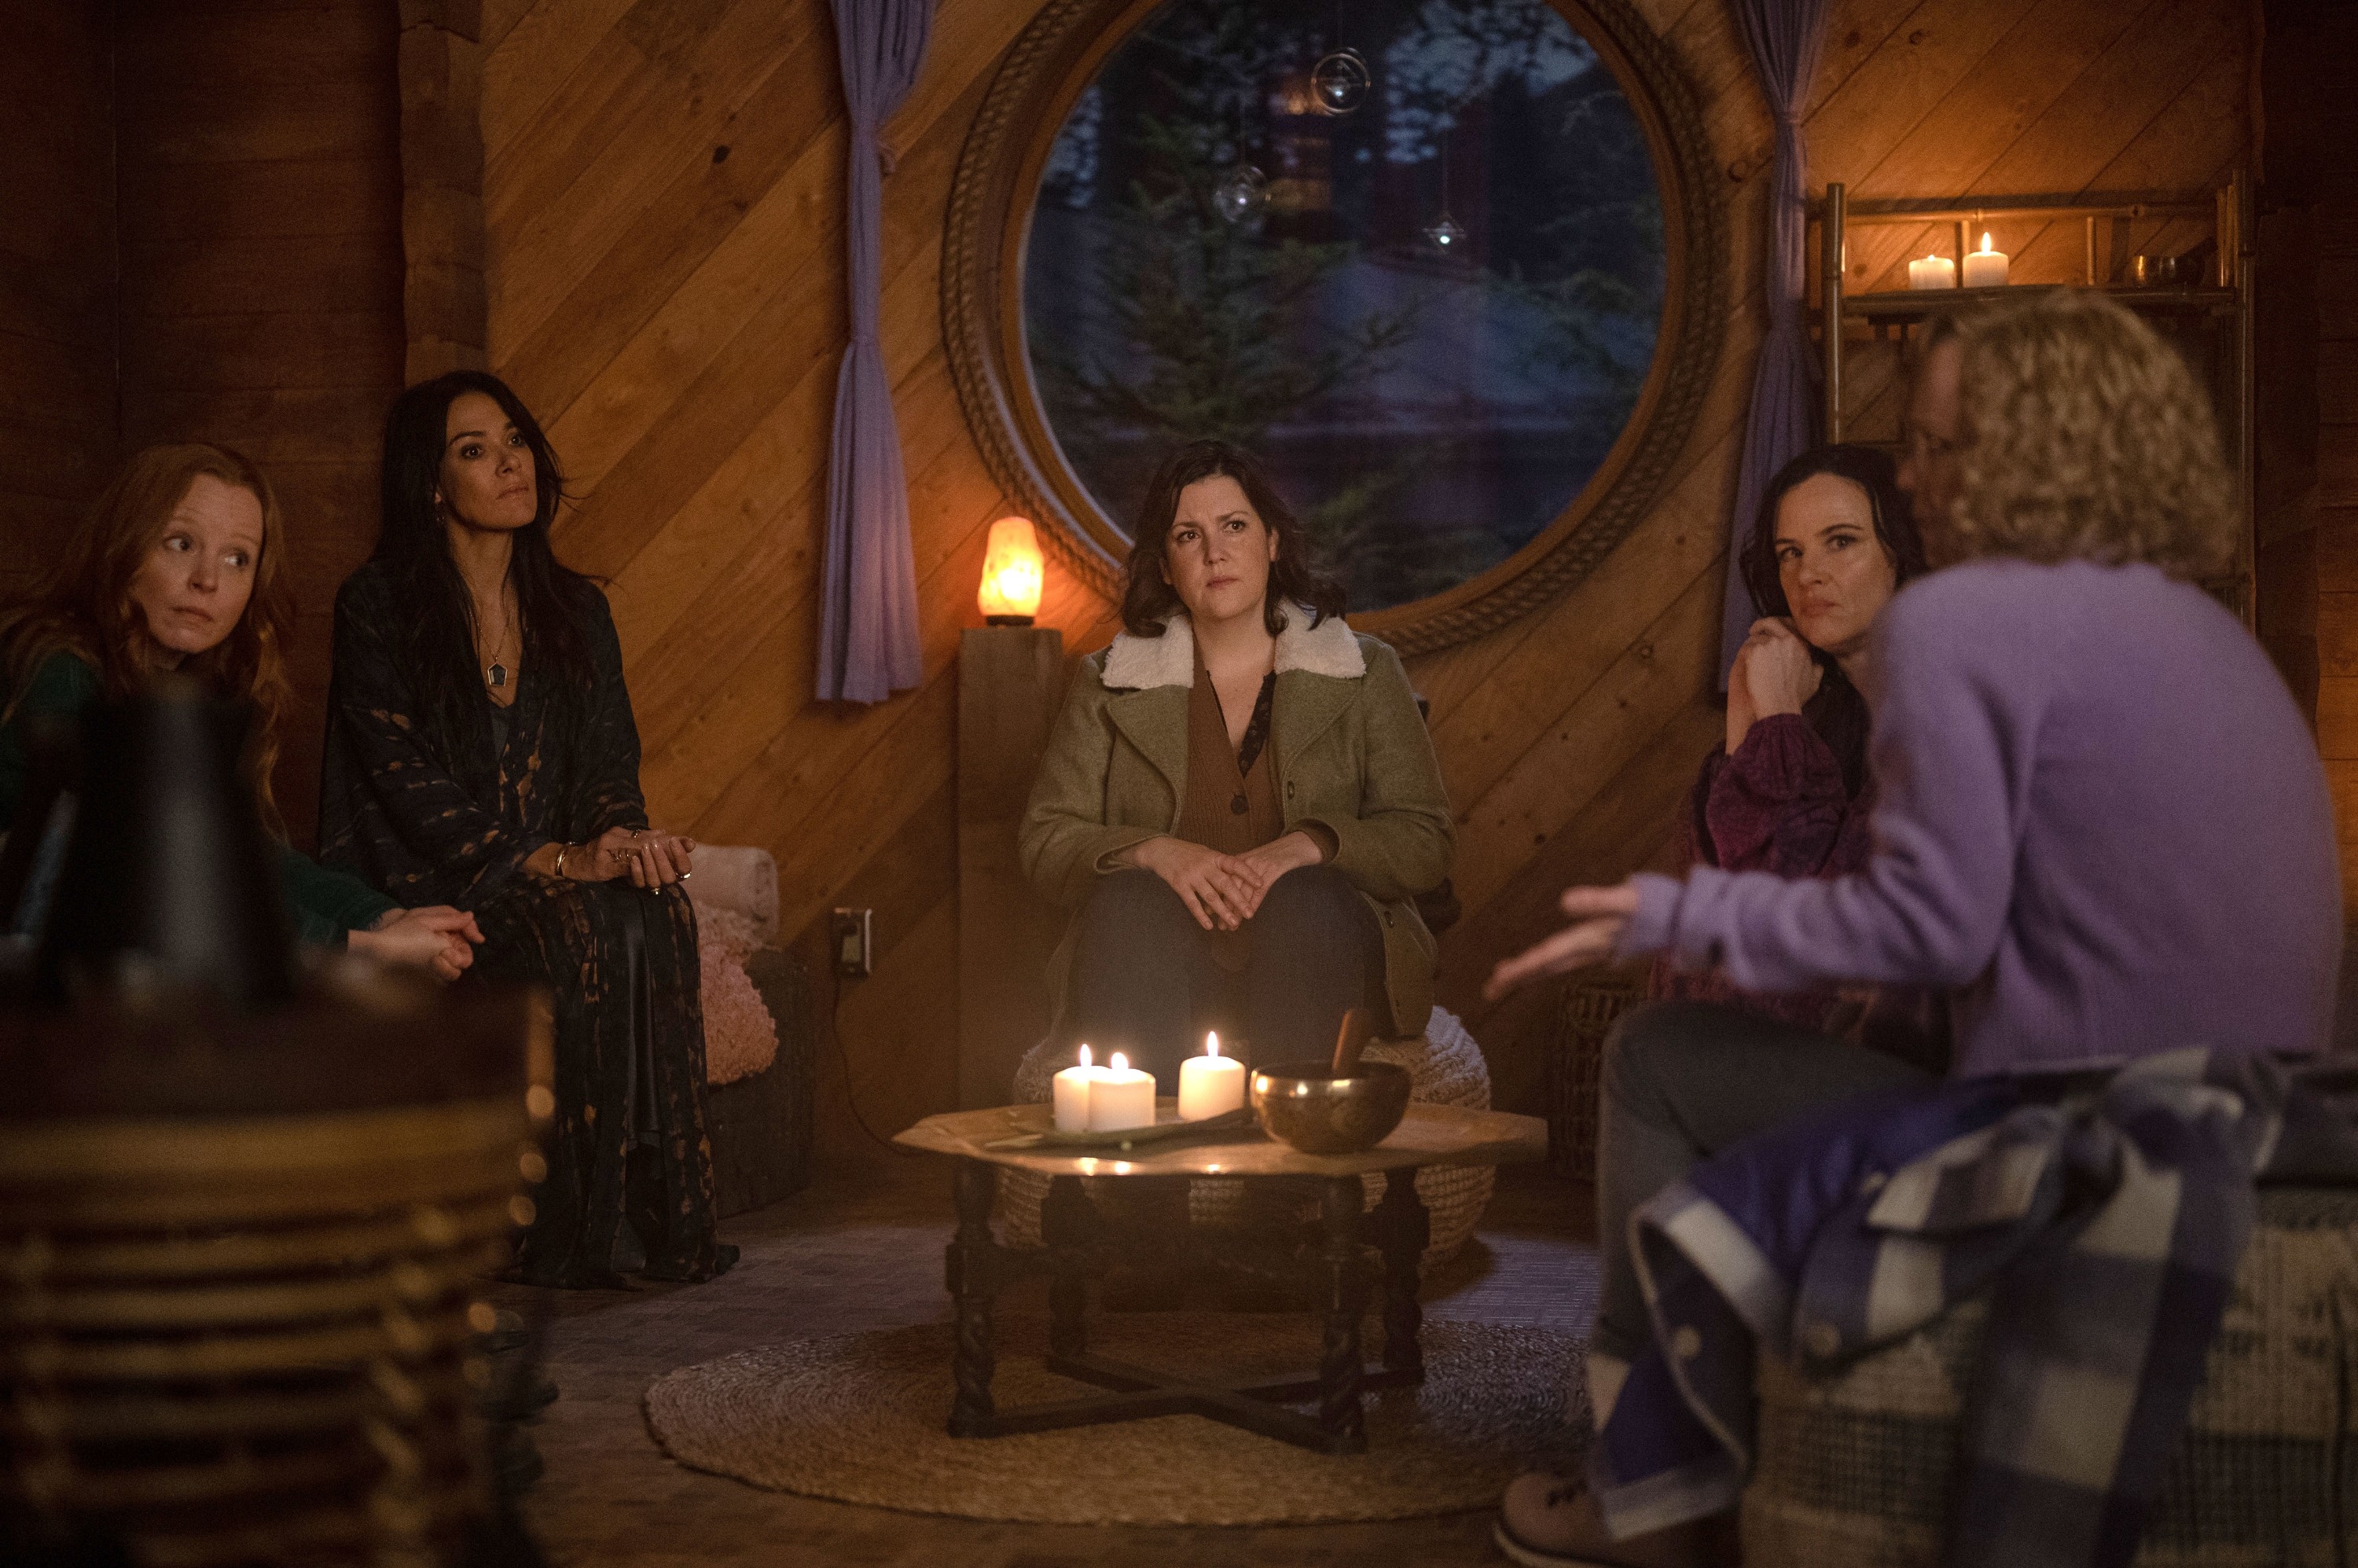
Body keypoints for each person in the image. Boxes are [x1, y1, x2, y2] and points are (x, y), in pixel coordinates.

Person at [1486, 291, 2341, 1567]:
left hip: (2091, 1107)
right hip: (2279, 1102)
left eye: (1943, 446)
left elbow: (1932, 932)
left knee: (1655, 1056)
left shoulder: (1965, 620)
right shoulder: (2207, 627)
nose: (1921, 478)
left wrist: (1686, 908)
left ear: (2044, 444)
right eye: (1919, 448)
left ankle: (1639, 1488)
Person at [318, 370, 732, 1290]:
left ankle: (671, 1219)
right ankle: (567, 1240)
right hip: (429, 879)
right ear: (431, 484)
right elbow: (401, 785)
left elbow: (606, 766)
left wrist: (621, 841)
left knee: (661, 909)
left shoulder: (577, 609)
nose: (509, 464)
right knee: (573, 923)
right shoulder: (378, 604)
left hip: (554, 872)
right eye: (474, 450)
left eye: (514, 441)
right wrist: (555, 860)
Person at [1021, 439, 1453, 1089]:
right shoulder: (1107, 681)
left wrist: (1312, 845)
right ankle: (1151, 1176)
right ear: (1166, 567)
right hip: (1160, 967)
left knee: (1308, 903)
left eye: (1234, 526)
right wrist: (1154, 852)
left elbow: (1425, 842)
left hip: (1324, 961)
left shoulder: (1365, 670)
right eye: (1187, 535)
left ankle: (1291, 1173)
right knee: (1131, 903)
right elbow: (1045, 842)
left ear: (1273, 541)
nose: (1214, 552)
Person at [0, 442, 479, 977]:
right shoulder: (58, 668)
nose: (208, 579)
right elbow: (136, 870)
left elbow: (248, 859)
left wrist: (385, 916)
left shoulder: (194, 694)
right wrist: (364, 947)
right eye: (180, 543)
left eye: (237, 559)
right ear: (122, 547)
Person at [1652, 443, 1930, 1045]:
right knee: (1659, 1035)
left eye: (1841, 541)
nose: (1808, 573)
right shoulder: (1823, 716)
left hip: (1894, 1056)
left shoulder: (1937, 721)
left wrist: (1775, 720)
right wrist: (1743, 715)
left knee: (1654, 1052)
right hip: (1772, 1044)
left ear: (1902, 556)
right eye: (1790, 553)